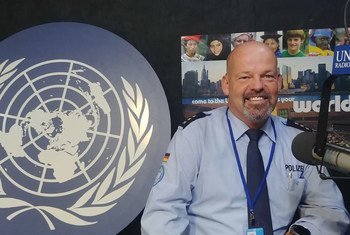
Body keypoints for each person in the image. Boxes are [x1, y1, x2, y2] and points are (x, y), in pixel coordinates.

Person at [141, 41, 349, 234]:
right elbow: (162, 214)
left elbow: (330, 208)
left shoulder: (300, 141)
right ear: (226, 84)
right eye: (245, 77)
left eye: (267, 76)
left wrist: (302, 232)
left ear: (278, 82)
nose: (257, 86)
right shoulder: (194, 136)